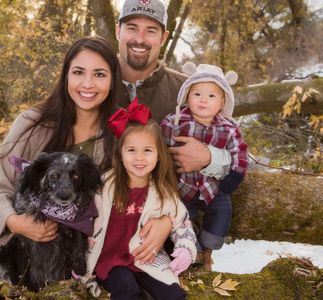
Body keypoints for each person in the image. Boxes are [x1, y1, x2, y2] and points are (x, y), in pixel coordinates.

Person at [0, 36, 124, 299]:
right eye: (78, 72)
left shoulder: (119, 135)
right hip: (20, 260)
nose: (87, 84)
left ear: (112, 82)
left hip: (85, 266)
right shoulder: (33, 124)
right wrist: (16, 222)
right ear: (66, 76)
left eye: (99, 74)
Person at [115, 0, 233, 263]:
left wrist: (210, 157)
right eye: (132, 28)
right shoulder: (94, 81)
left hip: (176, 238)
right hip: (104, 232)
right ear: (118, 31)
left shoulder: (188, 91)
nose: (140, 39)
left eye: (151, 31)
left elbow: (235, 148)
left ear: (164, 37)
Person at [85, 98, 196, 299]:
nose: (139, 158)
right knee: (127, 290)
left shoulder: (163, 191)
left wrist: (185, 249)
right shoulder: (103, 186)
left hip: (146, 258)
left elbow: (182, 223)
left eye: (147, 150)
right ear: (119, 154)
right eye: (131, 150)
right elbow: (79, 219)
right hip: (109, 260)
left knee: (173, 294)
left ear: (159, 154)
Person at [160, 62, 249, 271]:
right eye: (197, 93)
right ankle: (194, 250)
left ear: (222, 102)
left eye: (211, 96)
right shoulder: (175, 122)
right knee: (182, 216)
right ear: (187, 96)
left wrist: (233, 177)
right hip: (183, 187)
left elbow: (240, 153)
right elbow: (161, 147)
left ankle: (209, 247)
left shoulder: (228, 128)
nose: (203, 100)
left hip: (214, 187)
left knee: (223, 211)